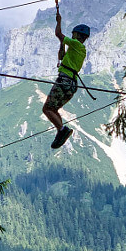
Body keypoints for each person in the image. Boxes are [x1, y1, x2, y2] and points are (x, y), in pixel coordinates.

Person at [42, 11, 90, 149]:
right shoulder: (78, 49)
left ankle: (62, 130)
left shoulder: (77, 45)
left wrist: (59, 21)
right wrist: (61, 44)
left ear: (78, 35)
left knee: (47, 108)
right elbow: (62, 56)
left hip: (65, 80)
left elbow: (58, 34)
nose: (72, 36)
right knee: (53, 108)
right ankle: (61, 131)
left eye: (74, 34)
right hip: (71, 83)